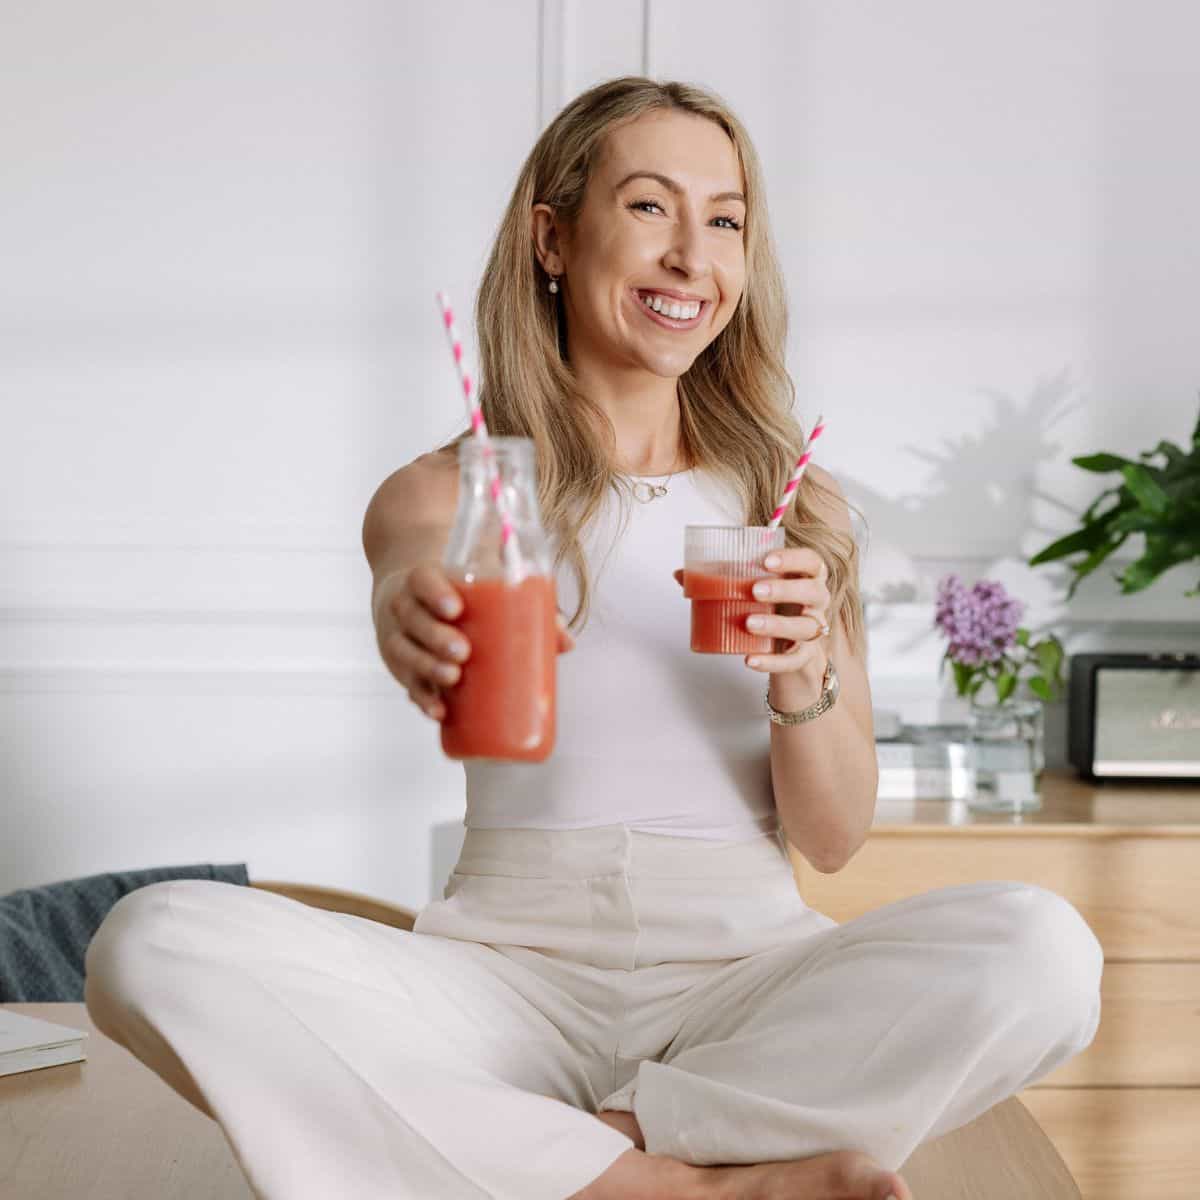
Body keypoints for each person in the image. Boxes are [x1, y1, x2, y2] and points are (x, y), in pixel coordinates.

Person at [84, 76, 1103, 1200]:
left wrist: (805, 677)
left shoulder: (791, 510)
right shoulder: (457, 493)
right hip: (499, 983)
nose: (691, 256)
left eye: (724, 220)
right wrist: (407, 614)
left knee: (1046, 951)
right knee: (152, 943)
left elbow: (833, 837)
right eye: (651, 207)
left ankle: (590, 1143)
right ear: (553, 237)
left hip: (743, 984)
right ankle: (682, 1184)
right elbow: (410, 571)